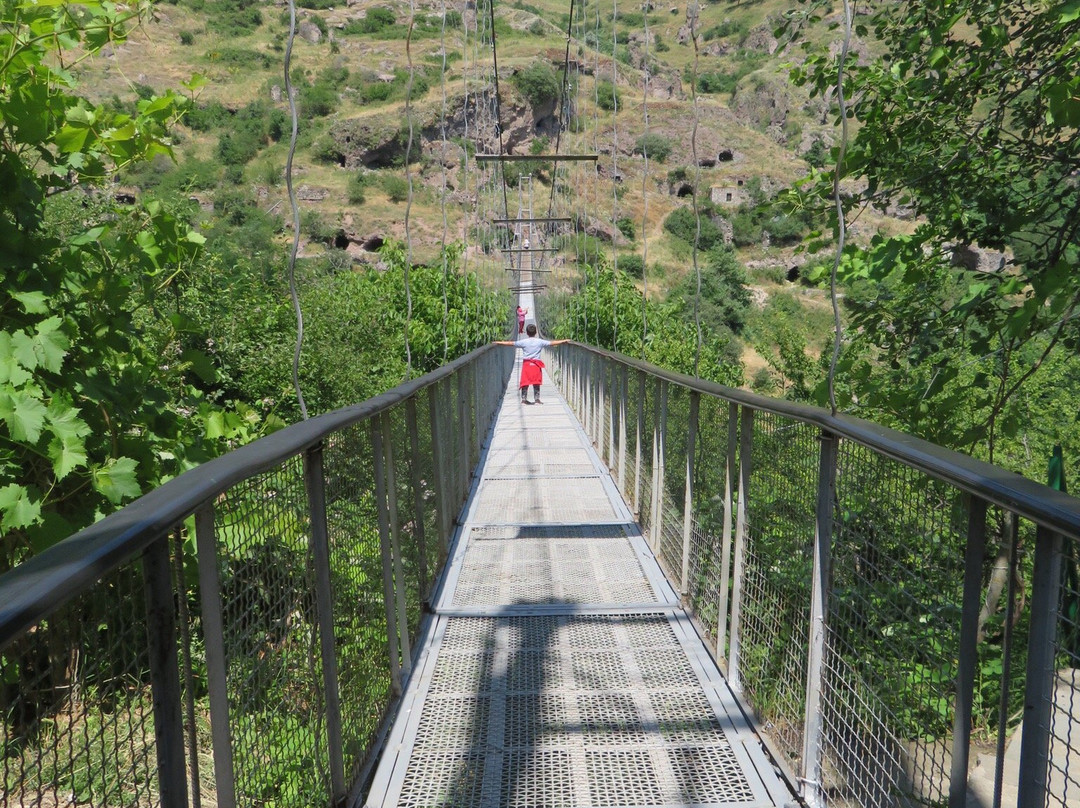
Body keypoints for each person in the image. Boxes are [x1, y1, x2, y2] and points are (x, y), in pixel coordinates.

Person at [495, 324, 568, 405]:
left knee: (525, 382)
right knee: (536, 381)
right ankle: (537, 399)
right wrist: (563, 341)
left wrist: (499, 342)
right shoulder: (540, 341)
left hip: (527, 364)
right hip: (536, 364)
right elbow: (552, 343)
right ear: (536, 332)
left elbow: (511, 343)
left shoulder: (523, 342)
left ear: (527, 332)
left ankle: (524, 399)